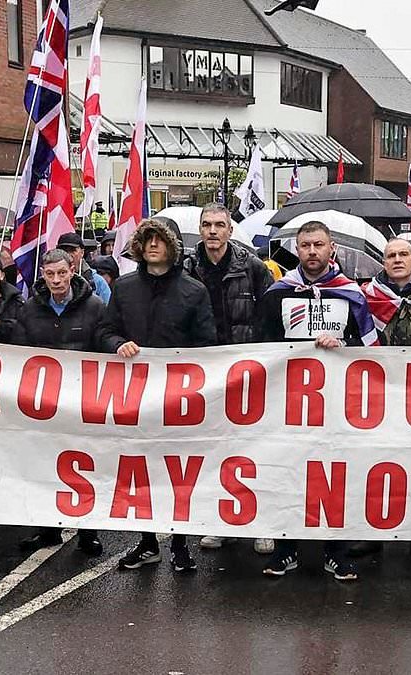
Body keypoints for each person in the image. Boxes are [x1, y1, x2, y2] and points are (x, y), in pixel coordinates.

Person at [257, 221, 378, 582]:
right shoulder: (278, 293)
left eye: (319, 244)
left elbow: (371, 348)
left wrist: (344, 347)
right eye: (306, 245)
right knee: (288, 473)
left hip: (337, 404)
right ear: (297, 249)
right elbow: (261, 347)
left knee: (336, 476)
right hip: (290, 402)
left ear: (332, 249)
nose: (312, 251)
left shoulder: (351, 294)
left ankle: (335, 552)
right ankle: (286, 550)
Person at [101, 218, 216, 573]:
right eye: (147, 239)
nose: (153, 245)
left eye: (160, 239)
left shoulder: (194, 291)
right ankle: (148, 542)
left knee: (178, 473)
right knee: (141, 470)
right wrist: (119, 343)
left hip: (178, 399)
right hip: (134, 397)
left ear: (173, 246)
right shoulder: (124, 288)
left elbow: (207, 344)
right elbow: (105, 331)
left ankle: (181, 544)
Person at [182, 203, 275, 555]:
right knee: (217, 450)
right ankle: (222, 521)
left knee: (255, 448)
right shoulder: (187, 267)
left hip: (245, 371)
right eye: (206, 225)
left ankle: (261, 522)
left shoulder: (252, 268)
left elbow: (268, 316)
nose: (212, 231)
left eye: (219, 225)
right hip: (205, 375)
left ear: (230, 230)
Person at [351, 238, 411, 565]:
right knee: (375, 466)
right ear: (383, 261)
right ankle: (372, 535)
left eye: (402, 254)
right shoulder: (366, 298)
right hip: (375, 396)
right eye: (390, 255)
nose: (396, 260)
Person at [11, 249, 107, 556]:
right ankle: (48, 528)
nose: (56, 280)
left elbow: (104, 345)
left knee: (84, 467)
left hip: (82, 401)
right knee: (45, 464)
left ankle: (88, 532)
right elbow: (17, 351)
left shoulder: (94, 306)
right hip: (45, 404)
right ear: (42, 275)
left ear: (72, 270)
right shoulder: (30, 309)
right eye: (50, 274)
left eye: (61, 274)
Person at [56, 231, 112, 303]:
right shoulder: (50, 281)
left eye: (72, 250)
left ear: (82, 252)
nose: (68, 255)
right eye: (64, 251)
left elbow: (108, 309)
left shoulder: (97, 281)